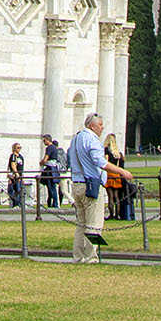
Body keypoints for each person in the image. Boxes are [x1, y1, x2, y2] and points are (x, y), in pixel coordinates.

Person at [67, 113, 108, 264]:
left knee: (81, 224)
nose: (102, 128)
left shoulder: (76, 139)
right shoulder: (92, 140)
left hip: (76, 183)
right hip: (90, 184)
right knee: (94, 223)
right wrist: (121, 171)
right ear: (92, 126)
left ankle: (78, 256)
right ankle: (91, 257)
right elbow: (100, 162)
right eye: (100, 125)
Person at [40, 135, 64, 208]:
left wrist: (41, 162)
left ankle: (55, 204)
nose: (44, 142)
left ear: (48, 140)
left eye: (44, 141)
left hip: (50, 168)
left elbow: (45, 159)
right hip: (54, 168)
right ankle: (54, 203)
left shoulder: (49, 148)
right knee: (53, 187)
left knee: (51, 187)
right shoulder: (54, 147)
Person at [7, 143, 24, 209]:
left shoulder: (21, 157)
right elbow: (13, 165)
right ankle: (15, 203)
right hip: (14, 176)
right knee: (11, 190)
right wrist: (16, 174)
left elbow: (22, 167)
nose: (19, 149)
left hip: (19, 176)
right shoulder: (13, 156)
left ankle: (17, 203)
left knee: (18, 190)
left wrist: (21, 176)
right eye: (17, 147)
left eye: (20, 147)